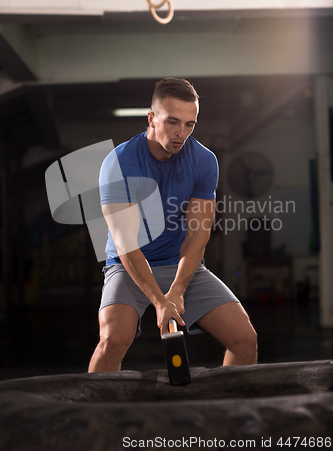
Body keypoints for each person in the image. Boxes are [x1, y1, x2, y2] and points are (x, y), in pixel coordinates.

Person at [88, 78, 257, 373]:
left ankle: (229, 412)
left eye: (190, 125)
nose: (182, 134)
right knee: (112, 341)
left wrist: (177, 290)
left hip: (179, 263)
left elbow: (198, 233)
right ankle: (90, 419)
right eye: (173, 122)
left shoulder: (204, 160)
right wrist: (158, 300)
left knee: (244, 339)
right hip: (128, 265)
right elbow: (126, 244)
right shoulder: (119, 163)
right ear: (151, 118)